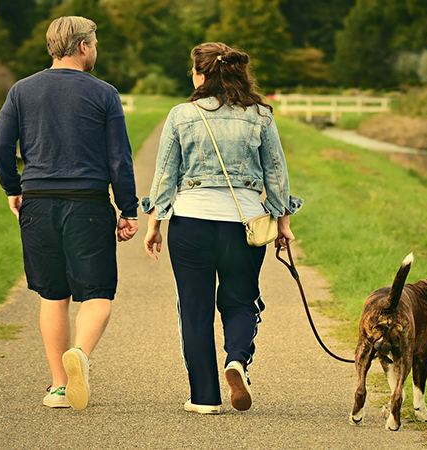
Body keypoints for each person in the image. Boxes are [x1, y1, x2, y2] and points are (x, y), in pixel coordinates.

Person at [142, 42, 303, 414]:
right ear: (236, 73)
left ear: (200, 74)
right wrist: (283, 222)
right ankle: (236, 361)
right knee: (241, 301)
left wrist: (155, 223)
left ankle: (204, 398)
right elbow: (276, 173)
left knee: (194, 310)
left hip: (190, 223)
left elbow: (166, 174)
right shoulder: (260, 116)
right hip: (244, 225)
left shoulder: (181, 115)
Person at [0, 16, 138, 411]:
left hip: (37, 203)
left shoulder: (21, 91)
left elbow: (2, 148)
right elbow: (119, 158)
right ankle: (81, 355)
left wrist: (13, 187)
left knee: (53, 296)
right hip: (87, 204)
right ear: (84, 47)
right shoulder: (104, 93)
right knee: (97, 293)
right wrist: (128, 209)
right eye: (95, 42)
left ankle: (59, 385)